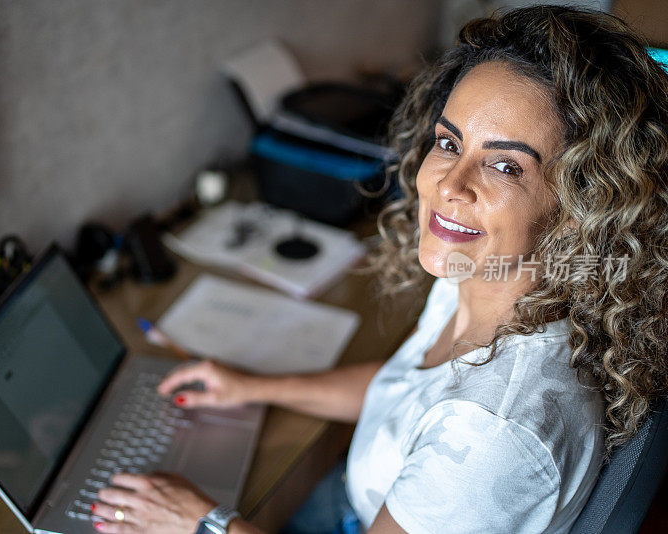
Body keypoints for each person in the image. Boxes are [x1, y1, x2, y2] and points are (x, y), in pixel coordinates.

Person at [91, 5, 668, 533]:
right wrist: (257, 386)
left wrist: (199, 525)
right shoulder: (489, 276)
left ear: (582, 204)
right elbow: (408, 398)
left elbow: (455, 429)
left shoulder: (493, 436)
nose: (448, 185)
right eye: (449, 143)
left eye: (505, 167)